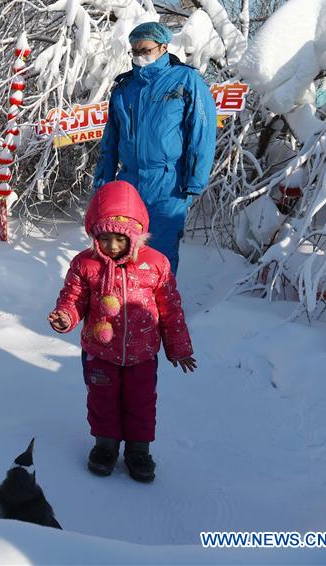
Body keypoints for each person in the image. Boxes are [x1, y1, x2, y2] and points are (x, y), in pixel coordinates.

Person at [47, 180, 196, 483]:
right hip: (99, 353)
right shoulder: (85, 264)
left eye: (120, 238)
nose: (112, 246)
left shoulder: (156, 264)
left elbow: (170, 309)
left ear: (136, 235)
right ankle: (105, 445)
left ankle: (138, 450)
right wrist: (66, 316)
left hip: (142, 354)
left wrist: (178, 347)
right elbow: (74, 299)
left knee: (141, 401)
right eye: (104, 238)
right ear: (94, 235)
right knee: (102, 399)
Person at [94, 21, 217, 274]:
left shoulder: (186, 80)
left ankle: (161, 310)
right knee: (124, 247)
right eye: (135, 52)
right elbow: (111, 138)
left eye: (145, 50)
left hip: (168, 182)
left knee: (160, 252)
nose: (139, 57)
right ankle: (126, 306)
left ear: (163, 47)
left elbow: (202, 132)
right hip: (128, 181)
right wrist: (104, 179)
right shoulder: (125, 88)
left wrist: (195, 179)